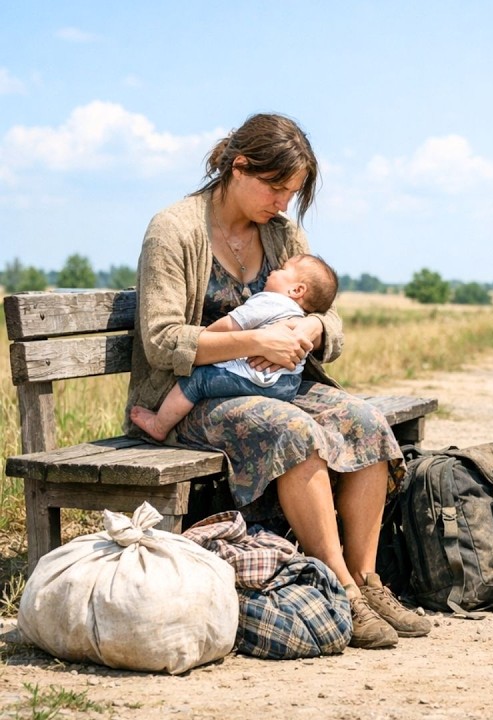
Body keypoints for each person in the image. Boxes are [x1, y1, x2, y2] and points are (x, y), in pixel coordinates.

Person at [125, 113, 431, 649]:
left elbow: (327, 314)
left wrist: (312, 325)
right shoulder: (174, 230)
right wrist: (255, 342)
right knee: (290, 429)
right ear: (238, 167)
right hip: (197, 393)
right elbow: (162, 339)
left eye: (292, 193)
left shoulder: (283, 234)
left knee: (365, 420)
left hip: (272, 386)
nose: (283, 204)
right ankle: (341, 591)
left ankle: (366, 579)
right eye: (276, 188)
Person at [129, 253, 338, 443]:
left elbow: (230, 325)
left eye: (282, 269)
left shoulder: (269, 301)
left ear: (297, 289)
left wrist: (205, 336)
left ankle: (159, 425)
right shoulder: (298, 314)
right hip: (287, 385)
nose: (273, 270)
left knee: (197, 380)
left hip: (257, 380)